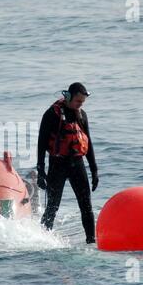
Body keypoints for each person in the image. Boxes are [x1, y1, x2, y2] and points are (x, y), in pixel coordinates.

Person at [36, 82, 99, 244]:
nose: (80, 105)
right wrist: (40, 171)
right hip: (58, 165)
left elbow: (88, 143)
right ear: (68, 97)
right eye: (78, 101)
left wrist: (94, 170)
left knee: (86, 207)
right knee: (52, 207)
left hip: (77, 165)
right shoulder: (51, 114)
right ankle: (41, 240)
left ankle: (91, 242)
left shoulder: (82, 115)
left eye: (83, 102)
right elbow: (41, 144)